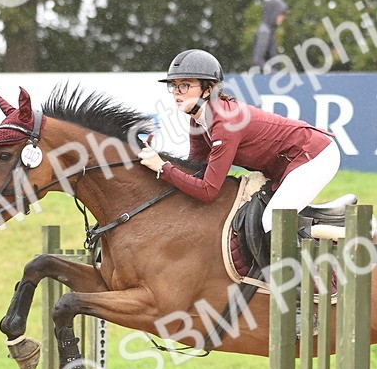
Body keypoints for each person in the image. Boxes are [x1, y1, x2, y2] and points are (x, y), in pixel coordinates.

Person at [138, 49, 340, 235]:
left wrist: (162, 167)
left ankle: (311, 273)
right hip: (291, 162)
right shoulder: (198, 121)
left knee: (272, 221)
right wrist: (157, 162)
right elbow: (196, 172)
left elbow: (208, 191)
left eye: (184, 85)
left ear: (208, 90)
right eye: (173, 86)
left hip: (315, 156)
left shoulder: (224, 124)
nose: (176, 92)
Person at [251, 0, 288, 72]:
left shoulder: (269, 31)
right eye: (282, 14)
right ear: (273, 13)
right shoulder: (265, 32)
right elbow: (257, 60)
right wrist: (274, 73)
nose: (283, 17)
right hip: (262, 80)